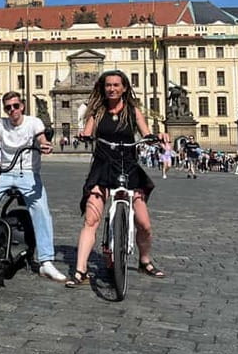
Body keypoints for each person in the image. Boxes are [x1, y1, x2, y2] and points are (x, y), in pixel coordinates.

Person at [66, 70, 168, 288]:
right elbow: (88, 130)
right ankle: (80, 270)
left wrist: (156, 137)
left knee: (144, 224)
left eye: (116, 85)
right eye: (108, 85)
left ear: (124, 88)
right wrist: (84, 134)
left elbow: (146, 133)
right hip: (102, 167)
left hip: (128, 167)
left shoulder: (132, 111)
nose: (112, 88)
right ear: (103, 88)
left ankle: (144, 260)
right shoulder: (97, 111)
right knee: (91, 220)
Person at [0, 91, 67, 283]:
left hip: (28, 173)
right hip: (4, 173)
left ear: (22, 106)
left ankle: (46, 261)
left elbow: (41, 138)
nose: (12, 110)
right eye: (8, 107)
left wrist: (45, 145)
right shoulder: (1, 124)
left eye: (15, 106)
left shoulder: (34, 122)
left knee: (41, 210)